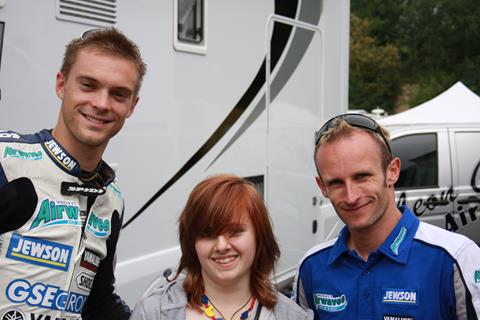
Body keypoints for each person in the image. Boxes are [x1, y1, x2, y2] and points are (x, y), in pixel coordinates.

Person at [0, 28, 146, 320]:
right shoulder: (6, 162)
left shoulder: (112, 200)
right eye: (89, 85)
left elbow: (98, 303)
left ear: (132, 106)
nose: (102, 104)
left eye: (118, 94)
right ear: (61, 84)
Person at [293, 113, 480, 319]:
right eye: (336, 182)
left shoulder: (455, 259)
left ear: (393, 171)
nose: (351, 196)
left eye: (362, 176)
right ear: (322, 187)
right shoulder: (312, 267)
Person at [131, 174, 313, 320]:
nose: (222, 245)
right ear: (191, 242)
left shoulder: (294, 316)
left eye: (235, 232)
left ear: (259, 236)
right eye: (207, 234)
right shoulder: (153, 313)